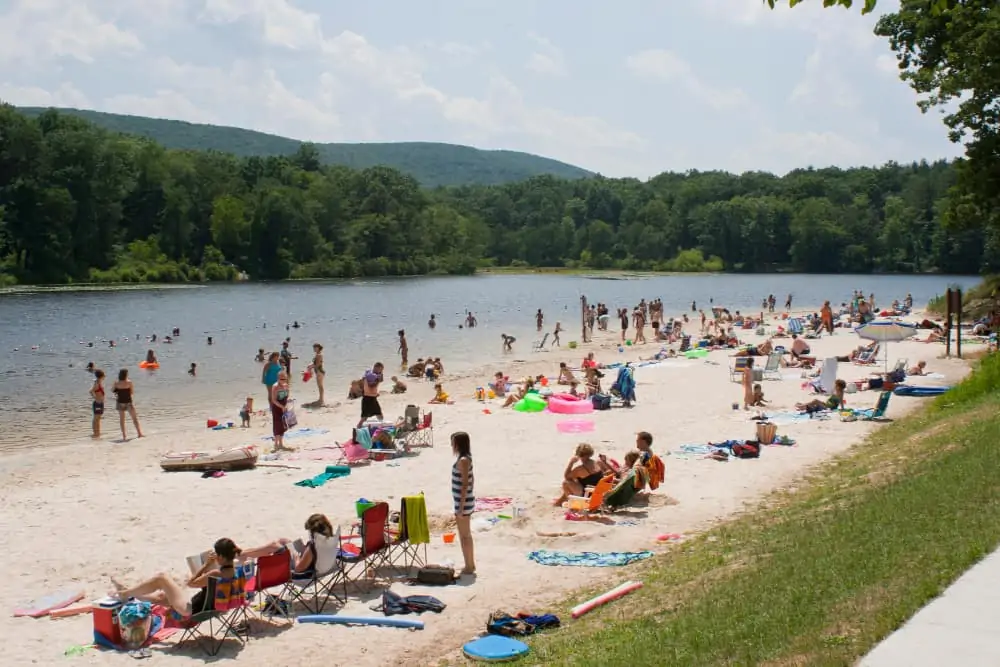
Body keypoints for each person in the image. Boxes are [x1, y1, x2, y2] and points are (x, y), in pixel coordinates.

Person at [111, 538, 242, 619]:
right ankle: (131, 595)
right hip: (210, 608)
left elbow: (190, 583)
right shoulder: (234, 571)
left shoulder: (215, 573)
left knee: (161, 578)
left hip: (194, 611)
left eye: (217, 555)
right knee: (163, 596)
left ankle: (125, 593)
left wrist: (205, 565)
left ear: (222, 557)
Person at [451, 431, 476, 575]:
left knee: (464, 535)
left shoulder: (463, 460)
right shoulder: (465, 458)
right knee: (465, 535)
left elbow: (465, 484)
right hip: (464, 501)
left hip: (463, 503)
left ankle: (469, 565)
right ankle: (470, 564)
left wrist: (460, 507)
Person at [113, 369, 143, 440]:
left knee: (122, 420)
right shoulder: (129, 382)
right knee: (134, 418)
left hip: (120, 402)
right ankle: (139, 433)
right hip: (128, 402)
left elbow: (112, 390)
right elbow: (131, 392)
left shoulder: (116, 383)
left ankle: (124, 436)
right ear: (126, 375)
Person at [270, 370, 293, 451]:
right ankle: (276, 444)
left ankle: (281, 443)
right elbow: (273, 400)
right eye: (281, 379)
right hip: (276, 407)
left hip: (284, 406)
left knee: (283, 425)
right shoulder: (275, 386)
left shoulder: (286, 385)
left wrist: (288, 404)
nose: (283, 381)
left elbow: (287, 396)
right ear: (278, 378)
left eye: (285, 379)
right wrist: (281, 406)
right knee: (277, 425)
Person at [90, 369, 105, 439]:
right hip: (97, 403)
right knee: (96, 418)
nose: (104, 377)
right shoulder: (96, 383)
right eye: (103, 375)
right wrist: (95, 397)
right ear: (101, 376)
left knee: (98, 418)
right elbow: (91, 391)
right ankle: (95, 433)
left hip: (100, 403)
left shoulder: (99, 382)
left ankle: (97, 432)